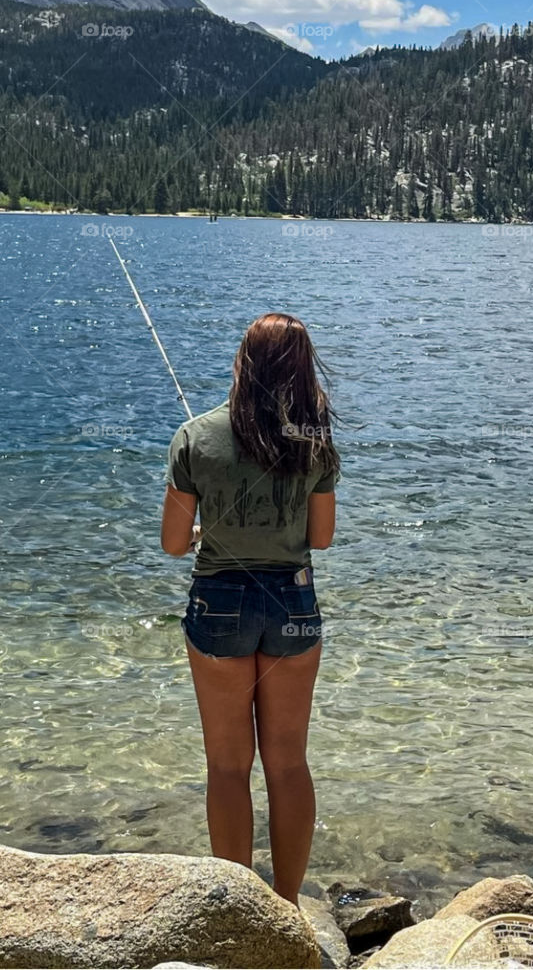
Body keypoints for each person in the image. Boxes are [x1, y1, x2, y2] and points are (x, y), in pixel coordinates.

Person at [161, 312, 340, 907]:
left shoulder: (194, 436)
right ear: (301, 369)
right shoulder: (315, 445)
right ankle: (287, 906)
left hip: (220, 605)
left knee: (227, 768)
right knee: (287, 764)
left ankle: (241, 912)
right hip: (292, 600)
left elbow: (172, 543)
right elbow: (321, 539)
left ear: (243, 362)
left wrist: (209, 525)